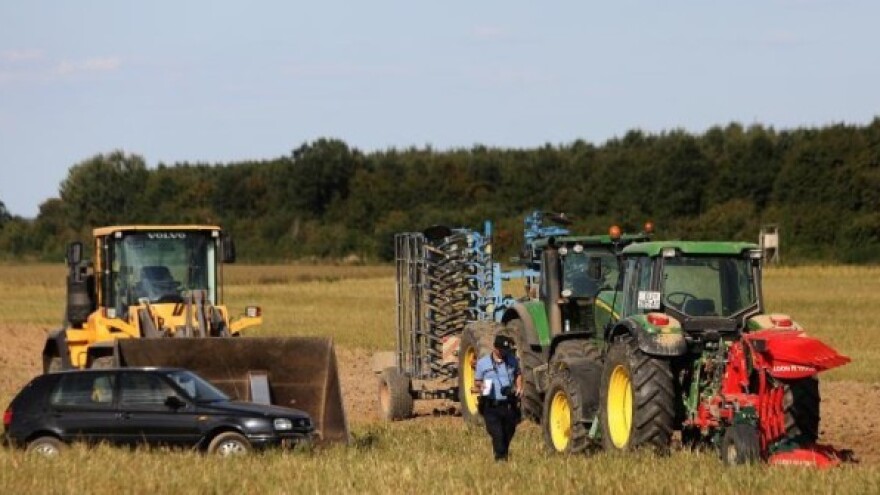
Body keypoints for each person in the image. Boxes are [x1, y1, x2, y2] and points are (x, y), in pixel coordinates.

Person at [473, 334, 523, 461]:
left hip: (509, 405)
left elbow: (518, 374)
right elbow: (477, 381)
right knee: (497, 434)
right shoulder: (483, 363)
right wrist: (482, 386)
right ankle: (500, 460)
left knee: (508, 433)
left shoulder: (512, 360)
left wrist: (519, 387)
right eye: (501, 350)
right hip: (491, 406)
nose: (504, 353)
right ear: (495, 348)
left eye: (506, 350)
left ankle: (502, 454)